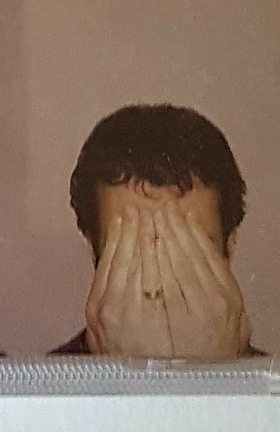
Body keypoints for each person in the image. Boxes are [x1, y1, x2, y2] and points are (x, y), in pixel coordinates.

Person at [54, 103, 254, 359]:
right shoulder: (30, 382)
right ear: (95, 253)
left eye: (187, 250)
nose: (159, 279)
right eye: (134, 251)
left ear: (229, 246)